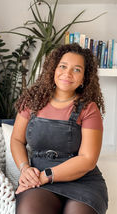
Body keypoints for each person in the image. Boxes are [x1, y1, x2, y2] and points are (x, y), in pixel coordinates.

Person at [10, 43, 108, 214]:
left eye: (76, 69)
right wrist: (25, 169)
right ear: (53, 69)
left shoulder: (89, 109)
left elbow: (87, 160)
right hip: (39, 180)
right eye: (63, 66)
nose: (67, 73)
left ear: (84, 78)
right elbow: (17, 140)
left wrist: (45, 175)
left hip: (82, 181)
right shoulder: (31, 101)